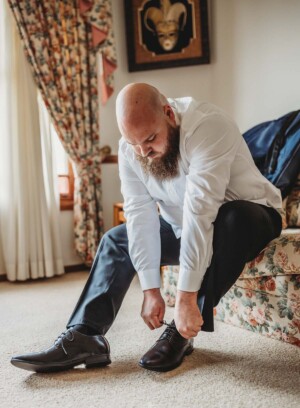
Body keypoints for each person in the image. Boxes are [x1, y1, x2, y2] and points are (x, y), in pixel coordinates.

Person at [11, 83, 283, 373]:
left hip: (251, 217)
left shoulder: (208, 127)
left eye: (151, 139)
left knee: (232, 217)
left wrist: (185, 298)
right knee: (117, 239)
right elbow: (140, 215)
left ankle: (181, 330)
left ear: (168, 113)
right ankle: (85, 336)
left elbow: (200, 213)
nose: (144, 152)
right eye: (134, 144)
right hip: (183, 225)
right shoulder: (133, 151)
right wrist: (150, 288)